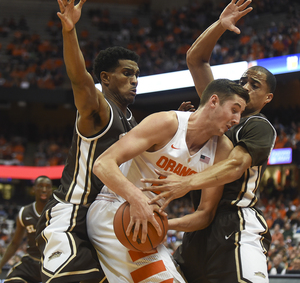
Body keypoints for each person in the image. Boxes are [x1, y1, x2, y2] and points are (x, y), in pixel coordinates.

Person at [35, 0, 193, 283]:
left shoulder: (134, 122)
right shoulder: (98, 109)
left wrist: (179, 121)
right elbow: (79, 79)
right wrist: (70, 32)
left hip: (108, 216)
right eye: (127, 74)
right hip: (73, 214)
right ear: (105, 78)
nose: (135, 81)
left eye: (137, 75)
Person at [141, 0, 277, 283]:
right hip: (200, 223)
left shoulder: (257, 125)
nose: (245, 86)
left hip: (234, 220)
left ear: (267, 97)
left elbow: (234, 166)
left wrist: (185, 183)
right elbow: (196, 59)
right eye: (242, 80)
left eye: (254, 85)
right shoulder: (219, 113)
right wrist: (220, 24)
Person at [87, 78, 249, 282]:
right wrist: (137, 200)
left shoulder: (222, 149)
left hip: (147, 223)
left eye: (241, 113)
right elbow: (102, 164)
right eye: (234, 109)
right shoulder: (167, 123)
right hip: (115, 209)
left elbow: (205, 214)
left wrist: (166, 225)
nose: (237, 119)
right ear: (213, 101)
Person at [0, 176, 52, 283]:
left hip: (53, 262)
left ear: (52, 190)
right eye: (40, 186)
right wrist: (0, 264)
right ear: (33, 189)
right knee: (11, 281)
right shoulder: (25, 212)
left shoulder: (58, 211)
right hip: (31, 263)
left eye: (47, 187)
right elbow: (15, 243)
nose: (44, 190)